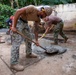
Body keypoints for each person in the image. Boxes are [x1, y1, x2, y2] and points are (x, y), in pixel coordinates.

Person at [10, 5, 52, 71]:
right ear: (43, 11)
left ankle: (29, 53)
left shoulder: (38, 19)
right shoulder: (32, 8)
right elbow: (18, 12)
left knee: (29, 37)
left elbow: (36, 29)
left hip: (25, 23)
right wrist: (14, 26)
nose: (44, 17)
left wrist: (37, 40)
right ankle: (13, 63)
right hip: (18, 21)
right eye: (45, 15)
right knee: (16, 42)